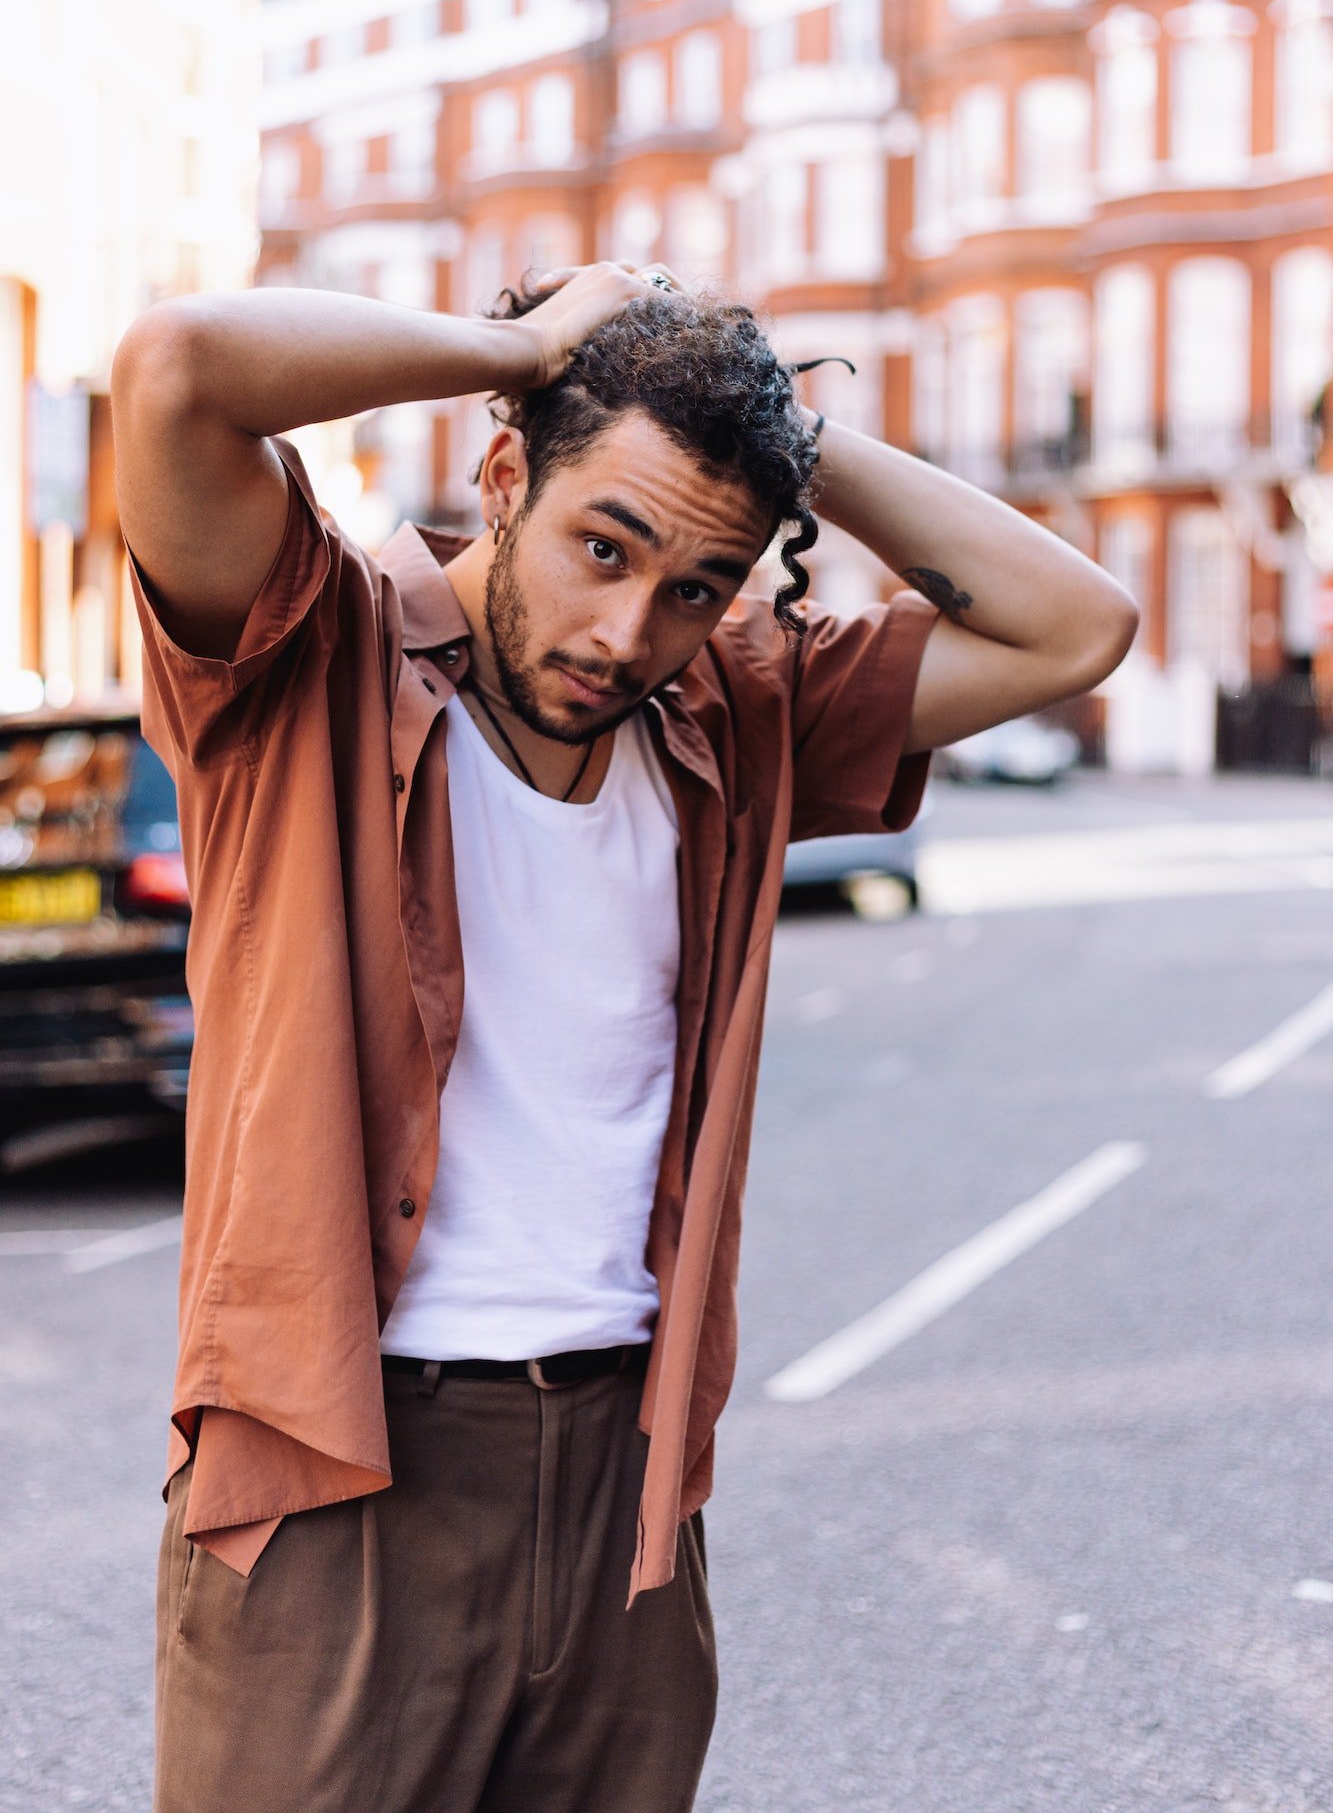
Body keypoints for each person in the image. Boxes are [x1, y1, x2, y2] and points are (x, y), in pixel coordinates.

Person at [110, 260, 1137, 1813]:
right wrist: (527, 347)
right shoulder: (304, 657)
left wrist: (783, 436)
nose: (627, 628)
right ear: (505, 471)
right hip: (335, 1483)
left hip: (620, 1482)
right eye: (605, 545)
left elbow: (1076, 626)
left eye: (695, 586)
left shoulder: (731, 714)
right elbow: (182, 364)